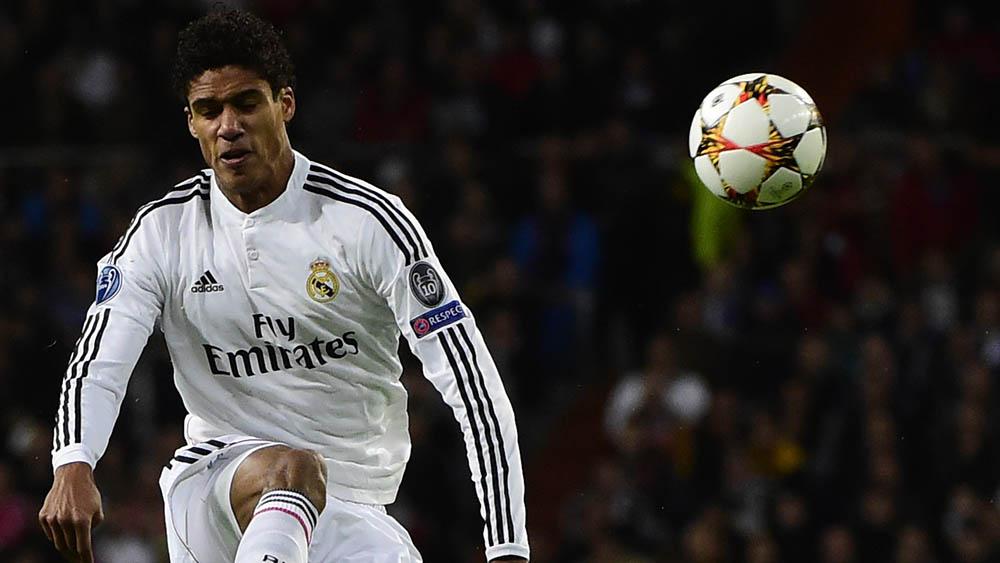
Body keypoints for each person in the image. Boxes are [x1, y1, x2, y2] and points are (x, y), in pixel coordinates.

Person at [37, 9, 529, 563]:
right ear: (192, 123)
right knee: (292, 468)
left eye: (246, 103)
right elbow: (99, 358)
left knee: (309, 479)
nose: (229, 125)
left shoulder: (365, 223)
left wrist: (507, 548)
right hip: (215, 486)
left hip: (353, 506)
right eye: (209, 110)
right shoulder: (163, 231)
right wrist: (74, 460)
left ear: (284, 104)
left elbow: (474, 387)